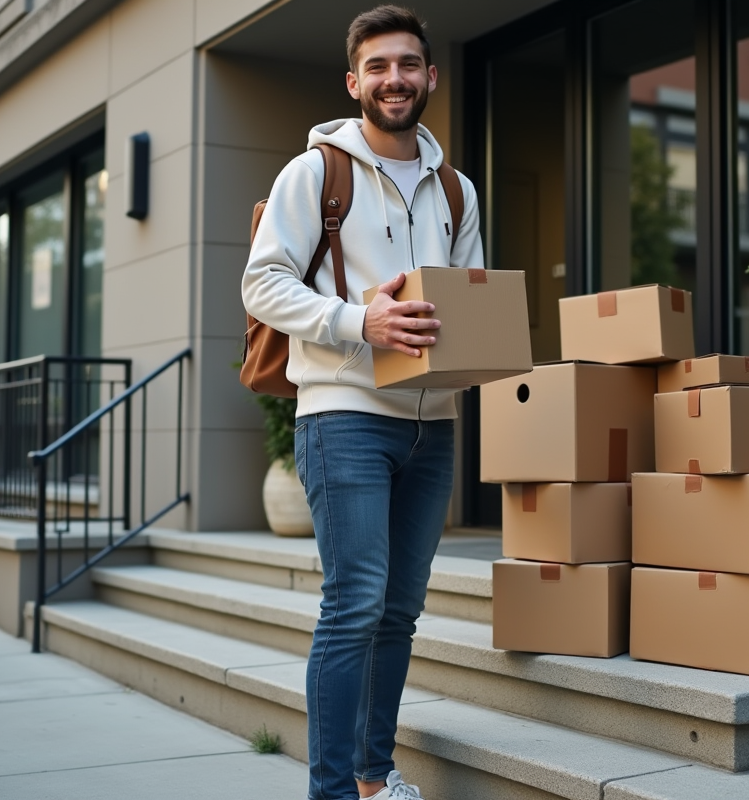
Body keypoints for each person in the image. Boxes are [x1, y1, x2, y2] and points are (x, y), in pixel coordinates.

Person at [241, 6, 484, 799]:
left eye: (408, 64)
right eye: (378, 67)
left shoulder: (456, 187)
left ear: (430, 77)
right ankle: (332, 792)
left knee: (400, 613)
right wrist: (359, 321)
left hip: (432, 426)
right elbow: (262, 281)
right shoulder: (314, 172)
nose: (395, 79)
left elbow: (468, 297)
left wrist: (478, 350)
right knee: (354, 607)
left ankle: (374, 781)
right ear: (354, 82)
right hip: (343, 416)